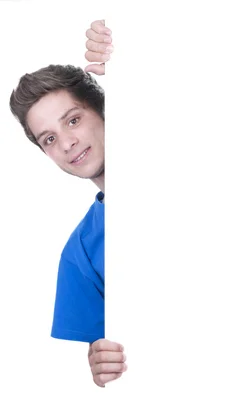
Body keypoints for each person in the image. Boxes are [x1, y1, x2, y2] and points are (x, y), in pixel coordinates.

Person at [9, 19, 125, 388]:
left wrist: (128, 63)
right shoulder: (80, 253)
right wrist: (104, 364)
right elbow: (109, 362)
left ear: (106, 112)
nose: (66, 143)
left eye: (73, 120)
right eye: (48, 139)